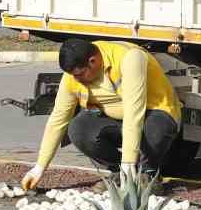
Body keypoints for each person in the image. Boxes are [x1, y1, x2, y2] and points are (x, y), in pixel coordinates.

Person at [21, 38, 182, 191]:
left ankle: (147, 174)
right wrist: (39, 168)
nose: (76, 80)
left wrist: (129, 161)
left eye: (80, 74)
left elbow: (134, 113)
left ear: (92, 61)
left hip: (152, 112)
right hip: (117, 119)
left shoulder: (130, 58)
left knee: (155, 128)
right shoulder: (73, 76)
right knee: (78, 129)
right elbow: (58, 120)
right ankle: (118, 172)